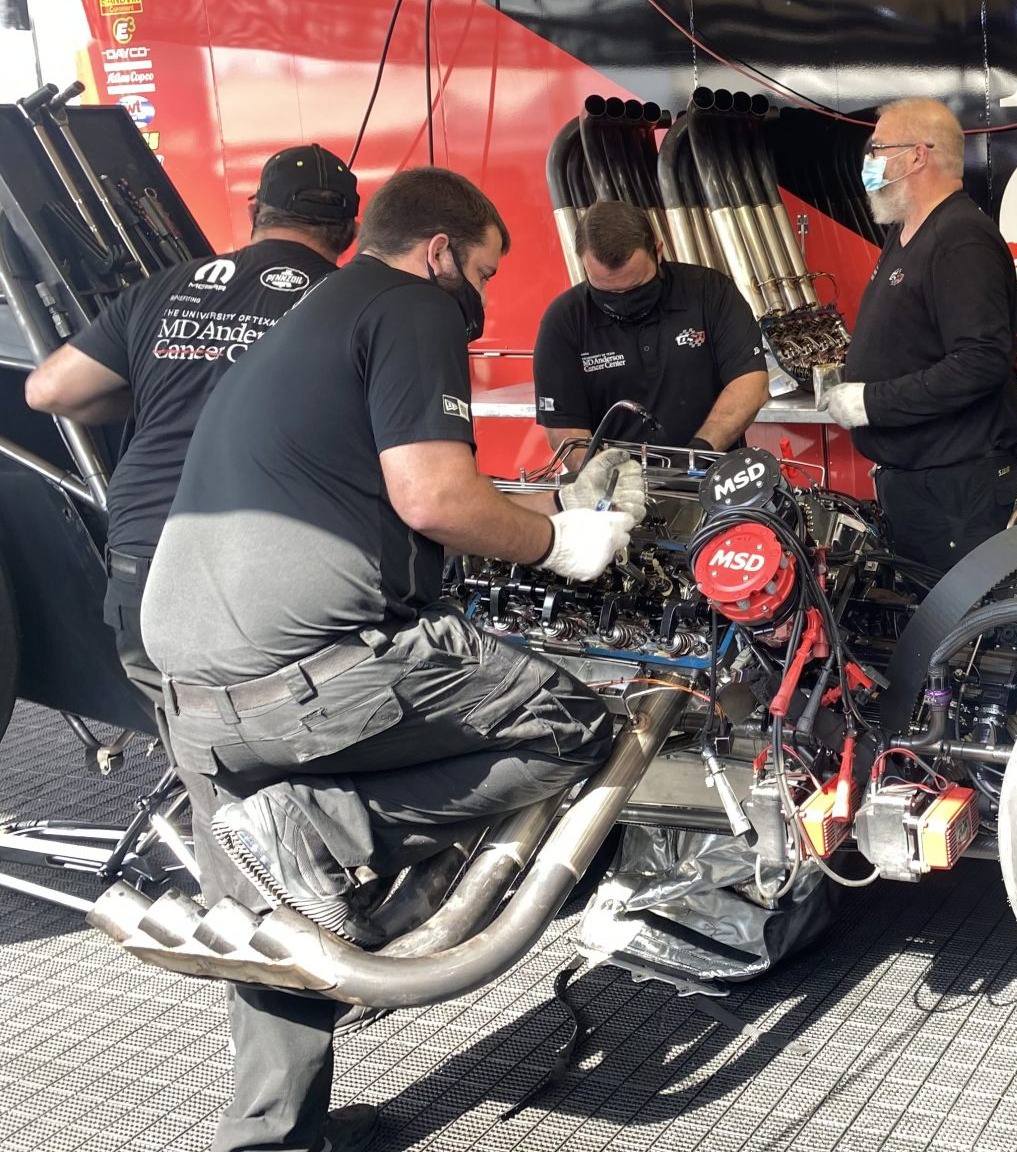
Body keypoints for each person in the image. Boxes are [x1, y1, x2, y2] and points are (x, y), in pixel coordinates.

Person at [142, 167, 639, 1152]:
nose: (482, 296)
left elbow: (420, 490)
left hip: (188, 679)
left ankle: (273, 1140)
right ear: (442, 252)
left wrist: (559, 508)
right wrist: (560, 548)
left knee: (275, 915)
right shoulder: (413, 305)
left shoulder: (317, 317)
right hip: (309, 671)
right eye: (484, 272)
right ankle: (328, 829)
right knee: (584, 729)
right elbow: (434, 499)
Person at [24, 143, 360, 706]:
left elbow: (50, 390)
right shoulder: (356, 303)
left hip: (147, 550)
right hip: (272, 558)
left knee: (191, 729)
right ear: (349, 228)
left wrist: (161, 389)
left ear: (257, 211)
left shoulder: (166, 286)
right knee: (290, 734)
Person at [824, 98, 1017, 574]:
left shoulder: (960, 239)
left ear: (917, 155)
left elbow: (981, 360)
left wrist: (872, 402)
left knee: (961, 633)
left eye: (877, 150)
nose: (868, 164)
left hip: (957, 491)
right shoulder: (905, 232)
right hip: (918, 485)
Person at [533, 198, 769, 452]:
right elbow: (565, 432)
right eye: (607, 293)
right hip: (617, 485)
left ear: (658, 251)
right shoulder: (564, 321)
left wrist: (699, 452)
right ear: (584, 265)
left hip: (713, 474)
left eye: (636, 288)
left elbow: (751, 383)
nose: (624, 303)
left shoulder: (710, 292)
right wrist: (601, 476)